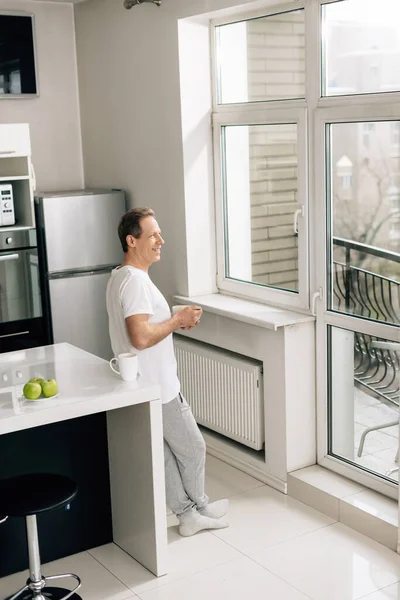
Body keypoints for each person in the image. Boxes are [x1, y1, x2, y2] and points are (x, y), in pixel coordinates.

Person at [106, 207, 229, 537]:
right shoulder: (134, 282)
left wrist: (175, 320)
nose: (161, 240)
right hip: (157, 385)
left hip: (141, 383)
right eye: (153, 235)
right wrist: (176, 320)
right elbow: (141, 336)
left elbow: (143, 326)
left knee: (165, 455)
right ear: (132, 241)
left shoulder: (121, 276)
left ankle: (189, 515)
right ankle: (198, 506)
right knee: (192, 448)